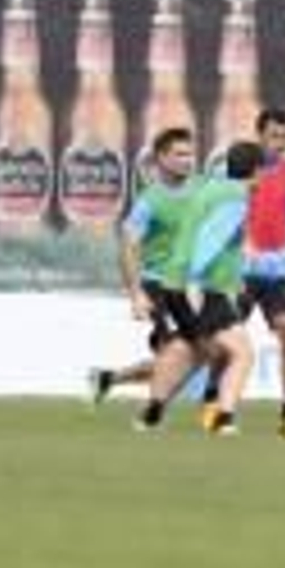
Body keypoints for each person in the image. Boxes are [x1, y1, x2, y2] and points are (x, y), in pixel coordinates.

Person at [203, 108, 285, 440]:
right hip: (236, 272)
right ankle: (213, 401)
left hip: (276, 273)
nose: (281, 143)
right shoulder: (229, 173)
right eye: (274, 136)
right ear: (259, 134)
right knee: (224, 343)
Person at [136, 141, 264, 436]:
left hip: (175, 281)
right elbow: (209, 241)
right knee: (242, 353)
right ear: (257, 171)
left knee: (194, 352)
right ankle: (224, 418)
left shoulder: (212, 187)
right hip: (202, 286)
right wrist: (194, 284)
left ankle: (152, 413)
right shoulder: (235, 197)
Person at [91, 127, 200, 404]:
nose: (187, 159)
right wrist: (136, 294)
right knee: (177, 355)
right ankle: (151, 414)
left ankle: (109, 379)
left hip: (191, 286)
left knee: (188, 356)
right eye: (179, 154)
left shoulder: (201, 191)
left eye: (190, 153)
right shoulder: (149, 202)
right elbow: (128, 246)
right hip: (159, 285)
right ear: (162, 158)